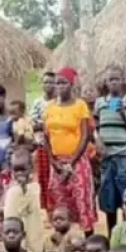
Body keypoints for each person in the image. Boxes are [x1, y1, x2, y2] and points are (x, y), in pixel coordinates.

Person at [42, 67, 97, 235]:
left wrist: (71, 162)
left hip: (77, 161)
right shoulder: (49, 107)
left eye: (64, 83)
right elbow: (46, 136)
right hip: (57, 163)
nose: (60, 86)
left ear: (72, 84)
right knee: (60, 203)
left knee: (81, 201)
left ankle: (89, 240)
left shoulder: (80, 106)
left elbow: (85, 136)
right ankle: (65, 242)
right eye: (57, 83)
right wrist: (53, 161)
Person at [94, 67, 126, 236]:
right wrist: (98, 141)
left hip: (123, 154)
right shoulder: (100, 102)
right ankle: (113, 236)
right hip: (106, 157)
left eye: (117, 79)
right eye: (110, 79)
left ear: (122, 81)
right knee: (109, 199)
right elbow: (95, 127)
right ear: (106, 83)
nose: (113, 82)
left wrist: (123, 114)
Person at [2, 148, 45, 252]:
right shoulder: (12, 191)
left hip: (34, 232)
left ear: (31, 168)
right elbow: (10, 217)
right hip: (18, 237)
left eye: (23, 170)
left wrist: (25, 189)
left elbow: (34, 210)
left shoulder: (36, 188)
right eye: (16, 170)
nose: (19, 174)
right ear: (11, 170)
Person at [31, 71, 57, 208]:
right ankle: (48, 208)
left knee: (57, 177)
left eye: (52, 82)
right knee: (44, 177)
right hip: (42, 145)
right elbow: (33, 124)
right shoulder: (37, 103)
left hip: (57, 146)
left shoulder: (59, 102)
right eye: (46, 82)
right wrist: (49, 124)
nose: (48, 85)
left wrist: (45, 124)